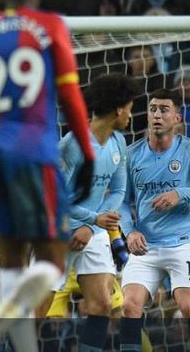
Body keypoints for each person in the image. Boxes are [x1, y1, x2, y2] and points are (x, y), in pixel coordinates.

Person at [0, 0, 95, 352]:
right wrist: (87, 151)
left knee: (11, 261)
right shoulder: (51, 27)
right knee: (52, 260)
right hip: (35, 149)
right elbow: (69, 95)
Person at [43, 73, 140, 352]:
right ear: (119, 108)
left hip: (93, 231)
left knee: (102, 305)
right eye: (131, 108)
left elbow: (119, 191)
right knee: (38, 311)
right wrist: (88, 220)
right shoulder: (72, 145)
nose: (131, 116)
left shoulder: (119, 143)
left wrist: (94, 224)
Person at [119, 88, 190, 351]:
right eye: (153, 109)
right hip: (145, 246)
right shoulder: (131, 154)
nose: (157, 114)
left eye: (164, 109)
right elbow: (120, 201)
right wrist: (129, 231)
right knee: (129, 305)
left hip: (182, 242)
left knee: (189, 306)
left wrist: (181, 193)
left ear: (178, 118)